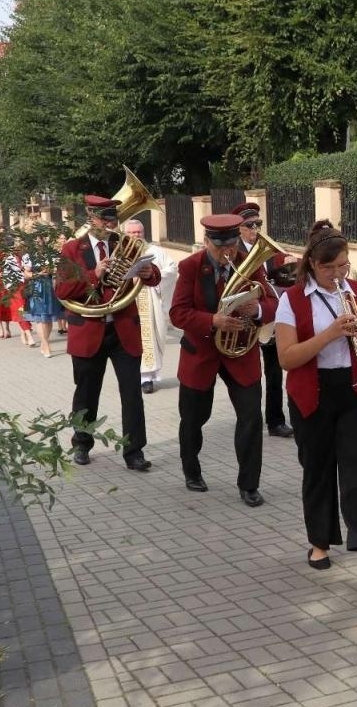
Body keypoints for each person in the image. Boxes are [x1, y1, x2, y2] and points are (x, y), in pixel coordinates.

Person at [274, 220, 357, 586]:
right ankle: (319, 543)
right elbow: (286, 358)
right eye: (328, 268)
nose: (336, 275)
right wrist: (329, 334)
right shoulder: (292, 299)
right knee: (318, 470)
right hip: (311, 391)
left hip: (355, 389)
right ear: (312, 264)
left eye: (342, 266)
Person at [170, 214, 277, 505]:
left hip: (241, 354)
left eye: (230, 245)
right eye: (219, 247)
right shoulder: (191, 266)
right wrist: (213, 320)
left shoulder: (248, 262)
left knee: (251, 418)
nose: (226, 253)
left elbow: (273, 303)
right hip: (201, 353)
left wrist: (256, 310)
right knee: (193, 418)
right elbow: (178, 313)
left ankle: (249, 485)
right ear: (206, 242)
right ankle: (191, 470)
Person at [54, 195, 163, 470]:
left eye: (113, 219)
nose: (110, 224)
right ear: (90, 217)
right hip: (89, 329)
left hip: (123, 328)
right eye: (104, 218)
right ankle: (82, 443)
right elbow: (63, 290)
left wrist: (148, 272)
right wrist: (93, 274)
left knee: (132, 394)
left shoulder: (124, 244)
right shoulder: (72, 249)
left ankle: (134, 451)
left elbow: (154, 277)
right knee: (87, 393)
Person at [231, 201, 293, 437]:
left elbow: (281, 275)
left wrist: (290, 265)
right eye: (250, 225)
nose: (256, 228)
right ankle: (248, 418)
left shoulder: (269, 250)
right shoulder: (234, 251)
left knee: (274, 370)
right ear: (239, 228)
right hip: (243, 316)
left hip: (267, 315)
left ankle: (275, 421)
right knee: (247, 372)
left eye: (258, 223)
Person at [121, 218, 179, 392]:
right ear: (125, 234)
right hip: (128, 303)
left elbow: (172, 269)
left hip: (151, 299)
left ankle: (148, 377)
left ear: (143, 233)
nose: (135, 235)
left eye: (138, 232)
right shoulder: (119, 253)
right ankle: (137, 376)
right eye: (131, 232)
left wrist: (155, 275)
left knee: (151, 338)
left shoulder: (156, 251)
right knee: (131, 339)